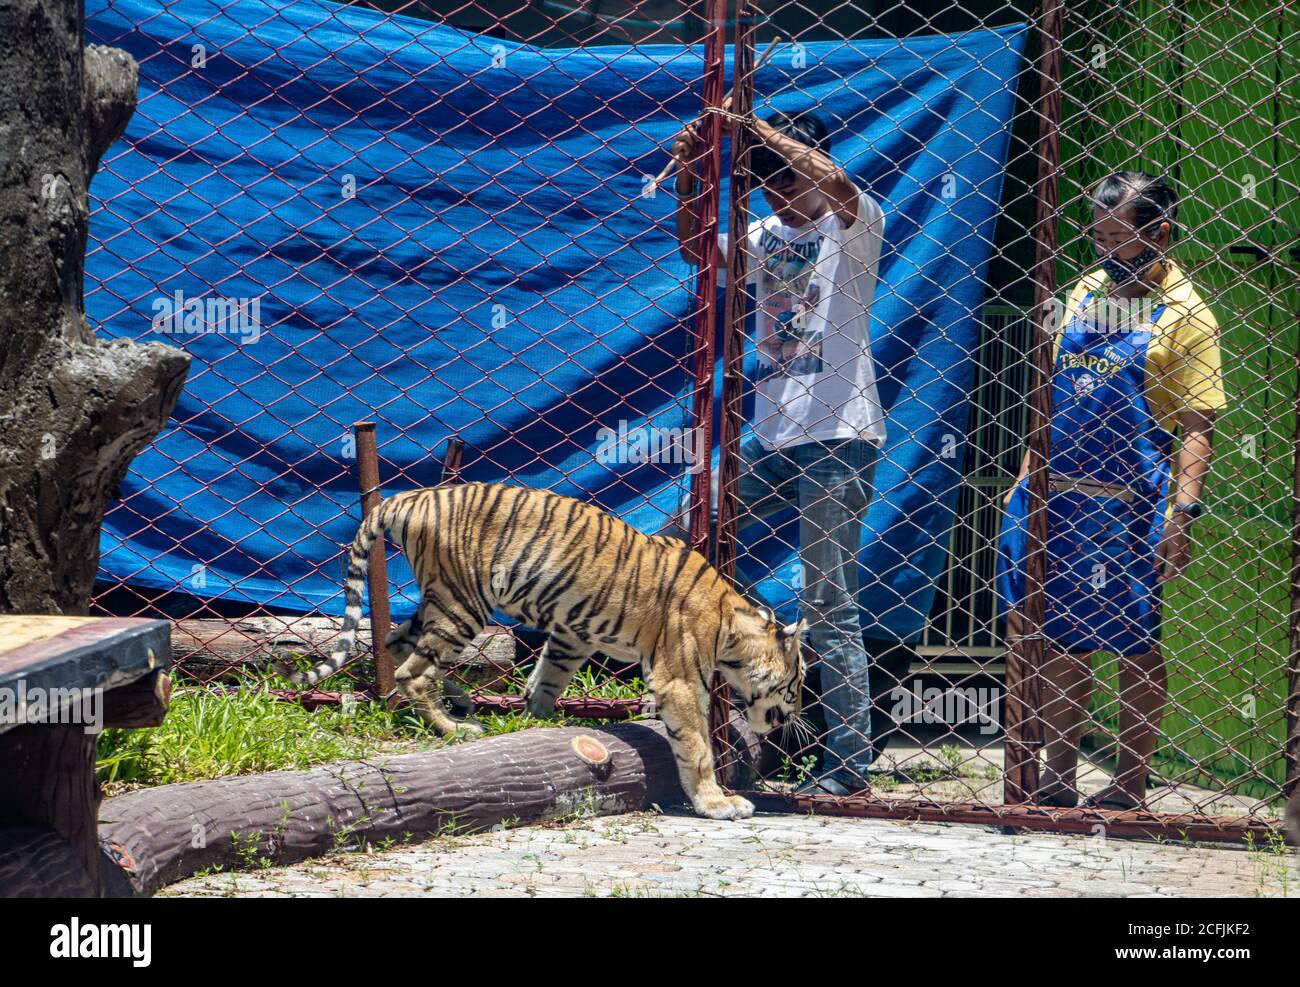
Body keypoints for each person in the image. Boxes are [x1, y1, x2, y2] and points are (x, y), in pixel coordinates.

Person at [672, 109, 887, 796]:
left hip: (837, 435)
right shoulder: (764, 234)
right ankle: (734, 670)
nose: (778, 197)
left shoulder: (852, 227)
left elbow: (835, 181)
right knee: (683, 535)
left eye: (787, 182)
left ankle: (848, 768)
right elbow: (696, 250)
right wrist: (686, 175)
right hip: (769, 435)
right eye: (764, 186)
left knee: (831, 603)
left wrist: (757, 131)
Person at [998, 170, 1225, 809]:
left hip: (1131, 502)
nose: (1103, 252)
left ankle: (1130, 780)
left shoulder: (1187, 313)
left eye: (1117, 238)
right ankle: (1060, 773)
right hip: (1057, 491)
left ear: (1160, 233)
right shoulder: (1090, 289)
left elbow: (1197, 426)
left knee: (1133, 641)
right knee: (1061, 636)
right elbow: (1052, 395)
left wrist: (1182, 513)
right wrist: (1023, 480)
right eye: (1096, 237)